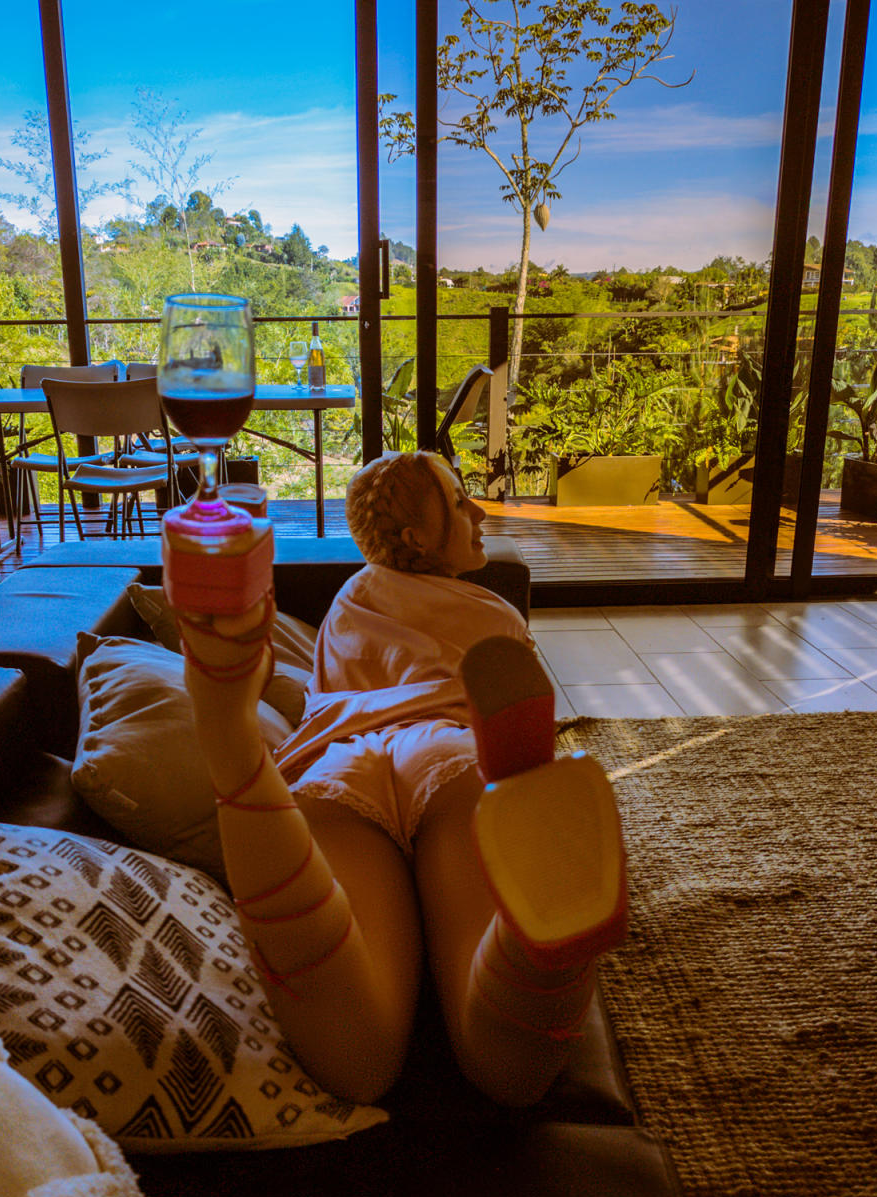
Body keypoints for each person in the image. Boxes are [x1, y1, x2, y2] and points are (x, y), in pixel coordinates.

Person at [176, 450, 625, 1107]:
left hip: (339, 760)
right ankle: (528, 947)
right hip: (450, 749)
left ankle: (232, 744)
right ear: (416, 538)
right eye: (459, 502)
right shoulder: (489, 612)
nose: (478, 513)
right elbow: (502, 672)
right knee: (506, 1071)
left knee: (361, 1062)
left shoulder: (346, 603)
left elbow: (323, 695)